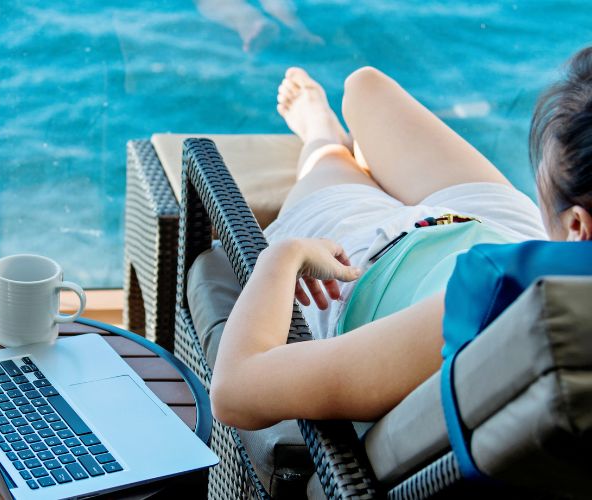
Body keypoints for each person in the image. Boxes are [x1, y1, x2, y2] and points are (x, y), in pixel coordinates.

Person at [209, 47, 592, 430]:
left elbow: (235, 390)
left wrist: (284, 256)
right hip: (504, 235)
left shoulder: (486, 308)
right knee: (365, 89)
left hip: (368, 266)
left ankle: (322, 134)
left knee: (329, 158)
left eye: (545, 166)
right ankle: (355, 153)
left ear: (578, 226)